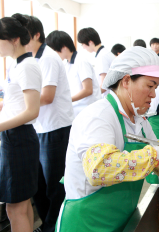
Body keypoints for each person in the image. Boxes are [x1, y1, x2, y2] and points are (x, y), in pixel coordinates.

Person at [56, 47, 159, 232]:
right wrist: (157, 154)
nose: (153, 94)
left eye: (156, 88)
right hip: (86, 223)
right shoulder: (98, 116)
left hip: (122, 219)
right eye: (150, 86)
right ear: (126, 81)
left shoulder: (139, 121)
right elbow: (99, 169)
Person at [18, 14, 74, 232]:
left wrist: (17, 103)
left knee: (54, 185)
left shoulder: (48, 57)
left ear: (36, 35)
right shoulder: (28, 59)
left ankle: (53, 226)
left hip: (56, 128)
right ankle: (47, 224)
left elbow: (47, 96)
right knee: (39, 186)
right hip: (40, 127)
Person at [0, 16, 42, 232]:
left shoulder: (27, 66)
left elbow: (32, 111)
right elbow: (16, 104)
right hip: (15, 138)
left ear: (14, 39)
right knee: (20, 205)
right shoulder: (17, 66)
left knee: (15, 208)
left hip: (18, 138)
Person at [46, 31, 101, 118]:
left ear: (63, 46)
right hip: (77, 112)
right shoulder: (66, 64)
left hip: (89, 111)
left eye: (54, 50)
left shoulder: (81, 61)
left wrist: (66, 100)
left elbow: (88, 90)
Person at [77, 27, 116, 97]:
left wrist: (91, 94)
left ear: (90, 42)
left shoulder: (102, 56)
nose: (83, 47)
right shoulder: (104, 53)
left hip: (107, 97)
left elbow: (104, 85)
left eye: (82, 44)